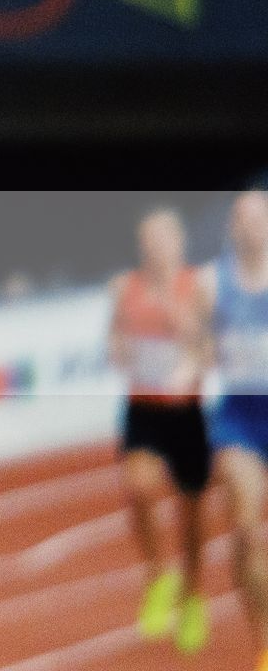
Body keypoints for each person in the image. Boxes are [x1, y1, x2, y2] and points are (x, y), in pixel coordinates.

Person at [108, 206, 211, 653]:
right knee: (139, 487)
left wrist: (170, 303)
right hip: (144, 408)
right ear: (141, 246)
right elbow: (114, 340)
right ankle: (159, 575)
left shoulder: (196, 287)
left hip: (187, 412)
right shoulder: (124, 288)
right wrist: (120, 350)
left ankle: (192, 595)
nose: (157, 248)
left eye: (164, 240)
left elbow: (205, 344)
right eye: (149, 241)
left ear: (178, 243)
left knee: (192, 515)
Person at [204, 190, 268, 671]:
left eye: (261, 219)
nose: (253, 228)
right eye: (244, 220)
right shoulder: (213, 283)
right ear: (233, 228)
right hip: (239, 420)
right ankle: (265, 646)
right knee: (245, 533)